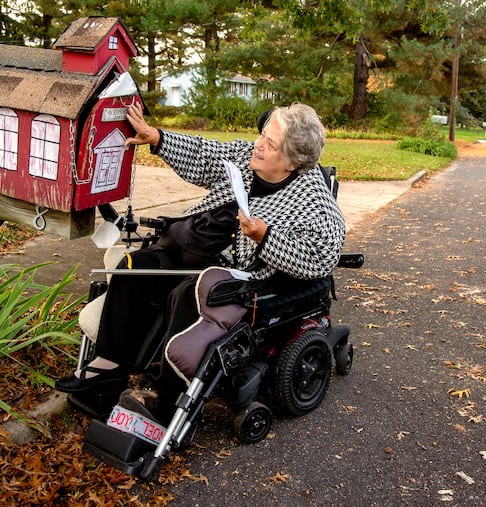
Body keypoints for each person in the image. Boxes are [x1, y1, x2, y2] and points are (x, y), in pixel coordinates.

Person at [56, 102, 346, 422]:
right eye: (263, 135)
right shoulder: (247, 156)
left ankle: (165, 396)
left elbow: (322, 258)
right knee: (134, 266)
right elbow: (206, 155)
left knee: (187, 295)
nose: (259, 145)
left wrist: (266, 237)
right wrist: (157, 138)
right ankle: (108, 368)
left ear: (292, 162)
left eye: (271, 143)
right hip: (190, 245)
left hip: (236, 270)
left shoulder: (314, 202)